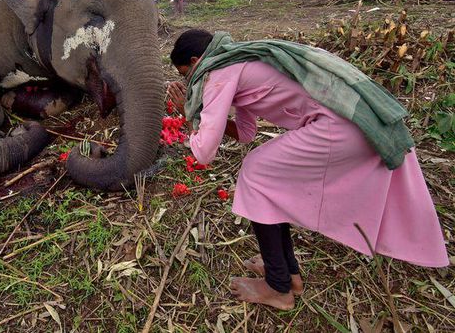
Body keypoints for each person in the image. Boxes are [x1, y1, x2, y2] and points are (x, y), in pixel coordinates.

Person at [167, 29, 448, 311]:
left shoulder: (217, 72)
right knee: (265, 178)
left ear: (196, 60)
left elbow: (203, 153)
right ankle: (287, 274)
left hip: (338, 125)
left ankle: (278, 288)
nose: (187, 82)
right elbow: (246, 132)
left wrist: (187, 113)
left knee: (256, 172)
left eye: (185, 75)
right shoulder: (242, 59)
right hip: (346, 120)